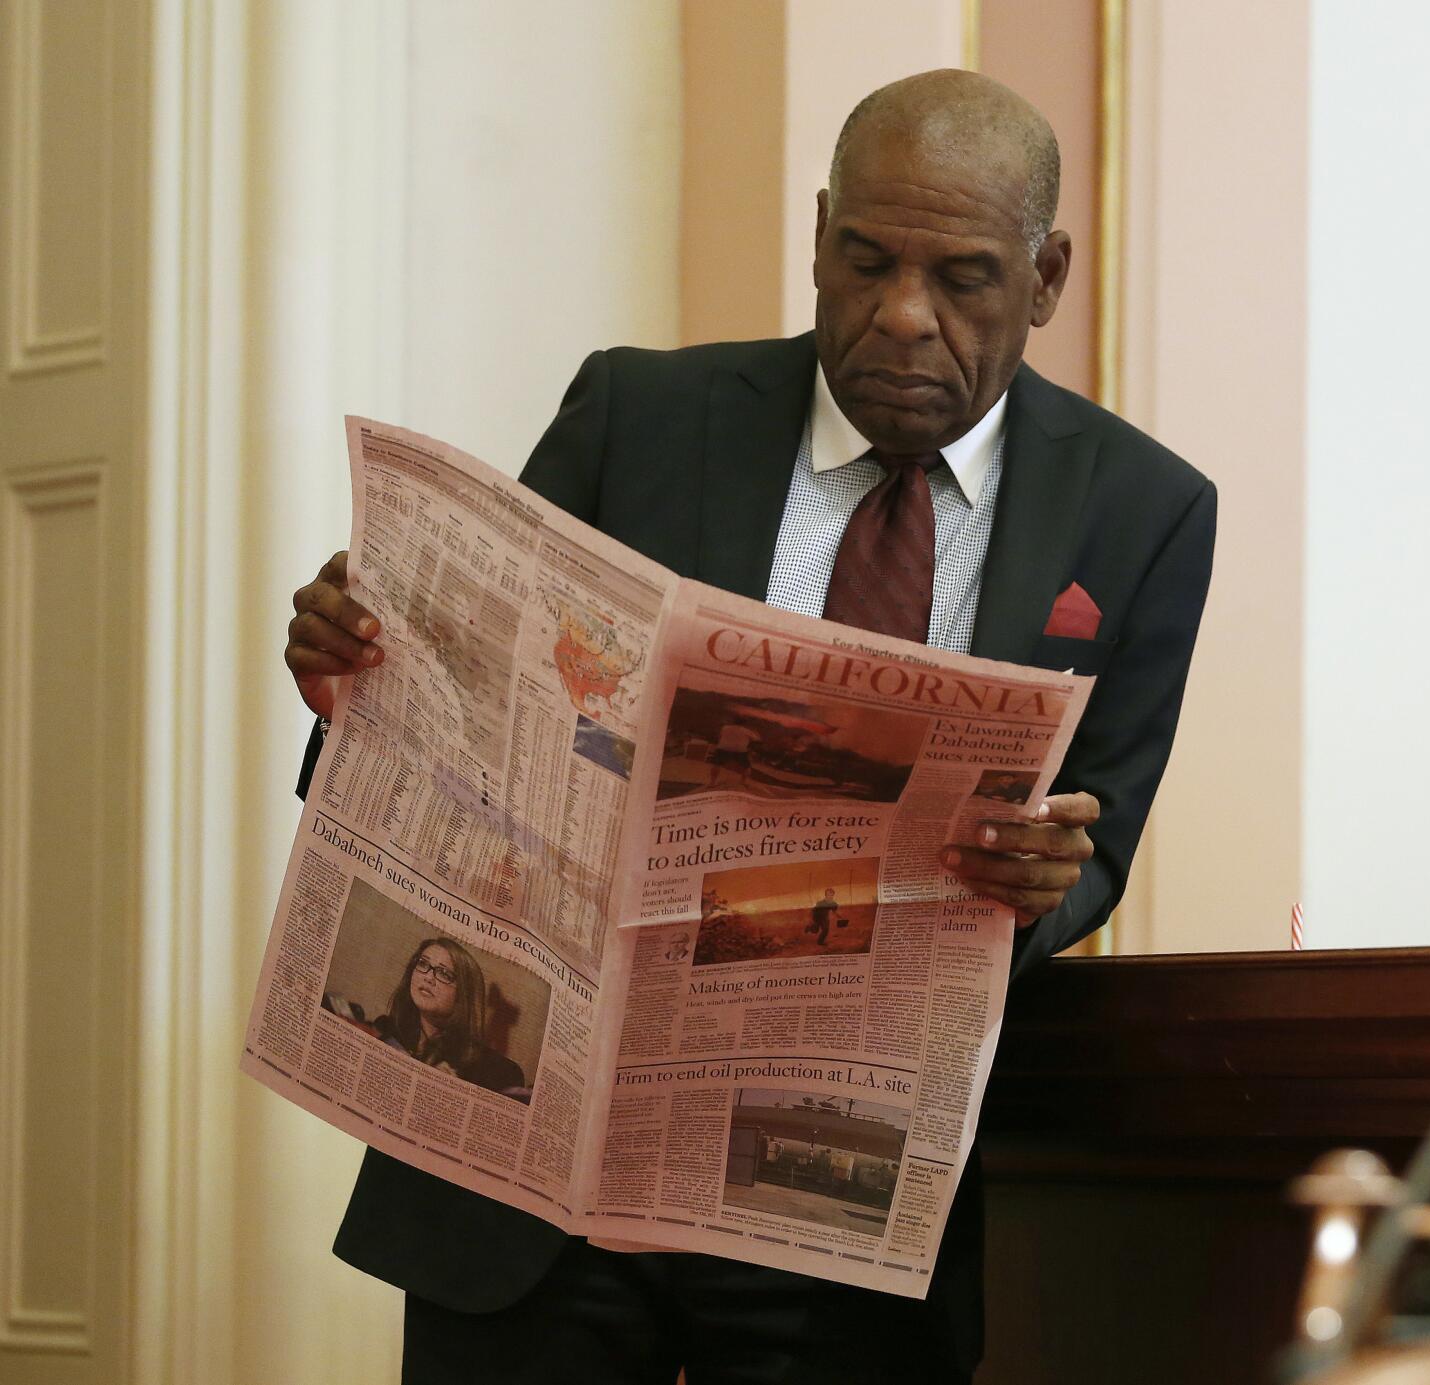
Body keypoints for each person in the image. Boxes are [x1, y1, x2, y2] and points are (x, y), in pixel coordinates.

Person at [284, 68, 1215, 1385]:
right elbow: (467, 710)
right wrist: (356, 677)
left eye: (962, 279)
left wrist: (1044, 883)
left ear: (1046, 276)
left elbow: (1100, 832)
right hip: (540, 1170)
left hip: (832, 1191)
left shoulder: (1143, 510)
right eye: (864, 260)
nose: (901, 317)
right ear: (821, 231)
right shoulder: (639, 416)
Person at [375, 937, 526, 1096]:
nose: (428, 978)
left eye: (444, 974)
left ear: (464, 995)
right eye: (423, 964)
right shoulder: (388, 1031)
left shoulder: (498, 1072)